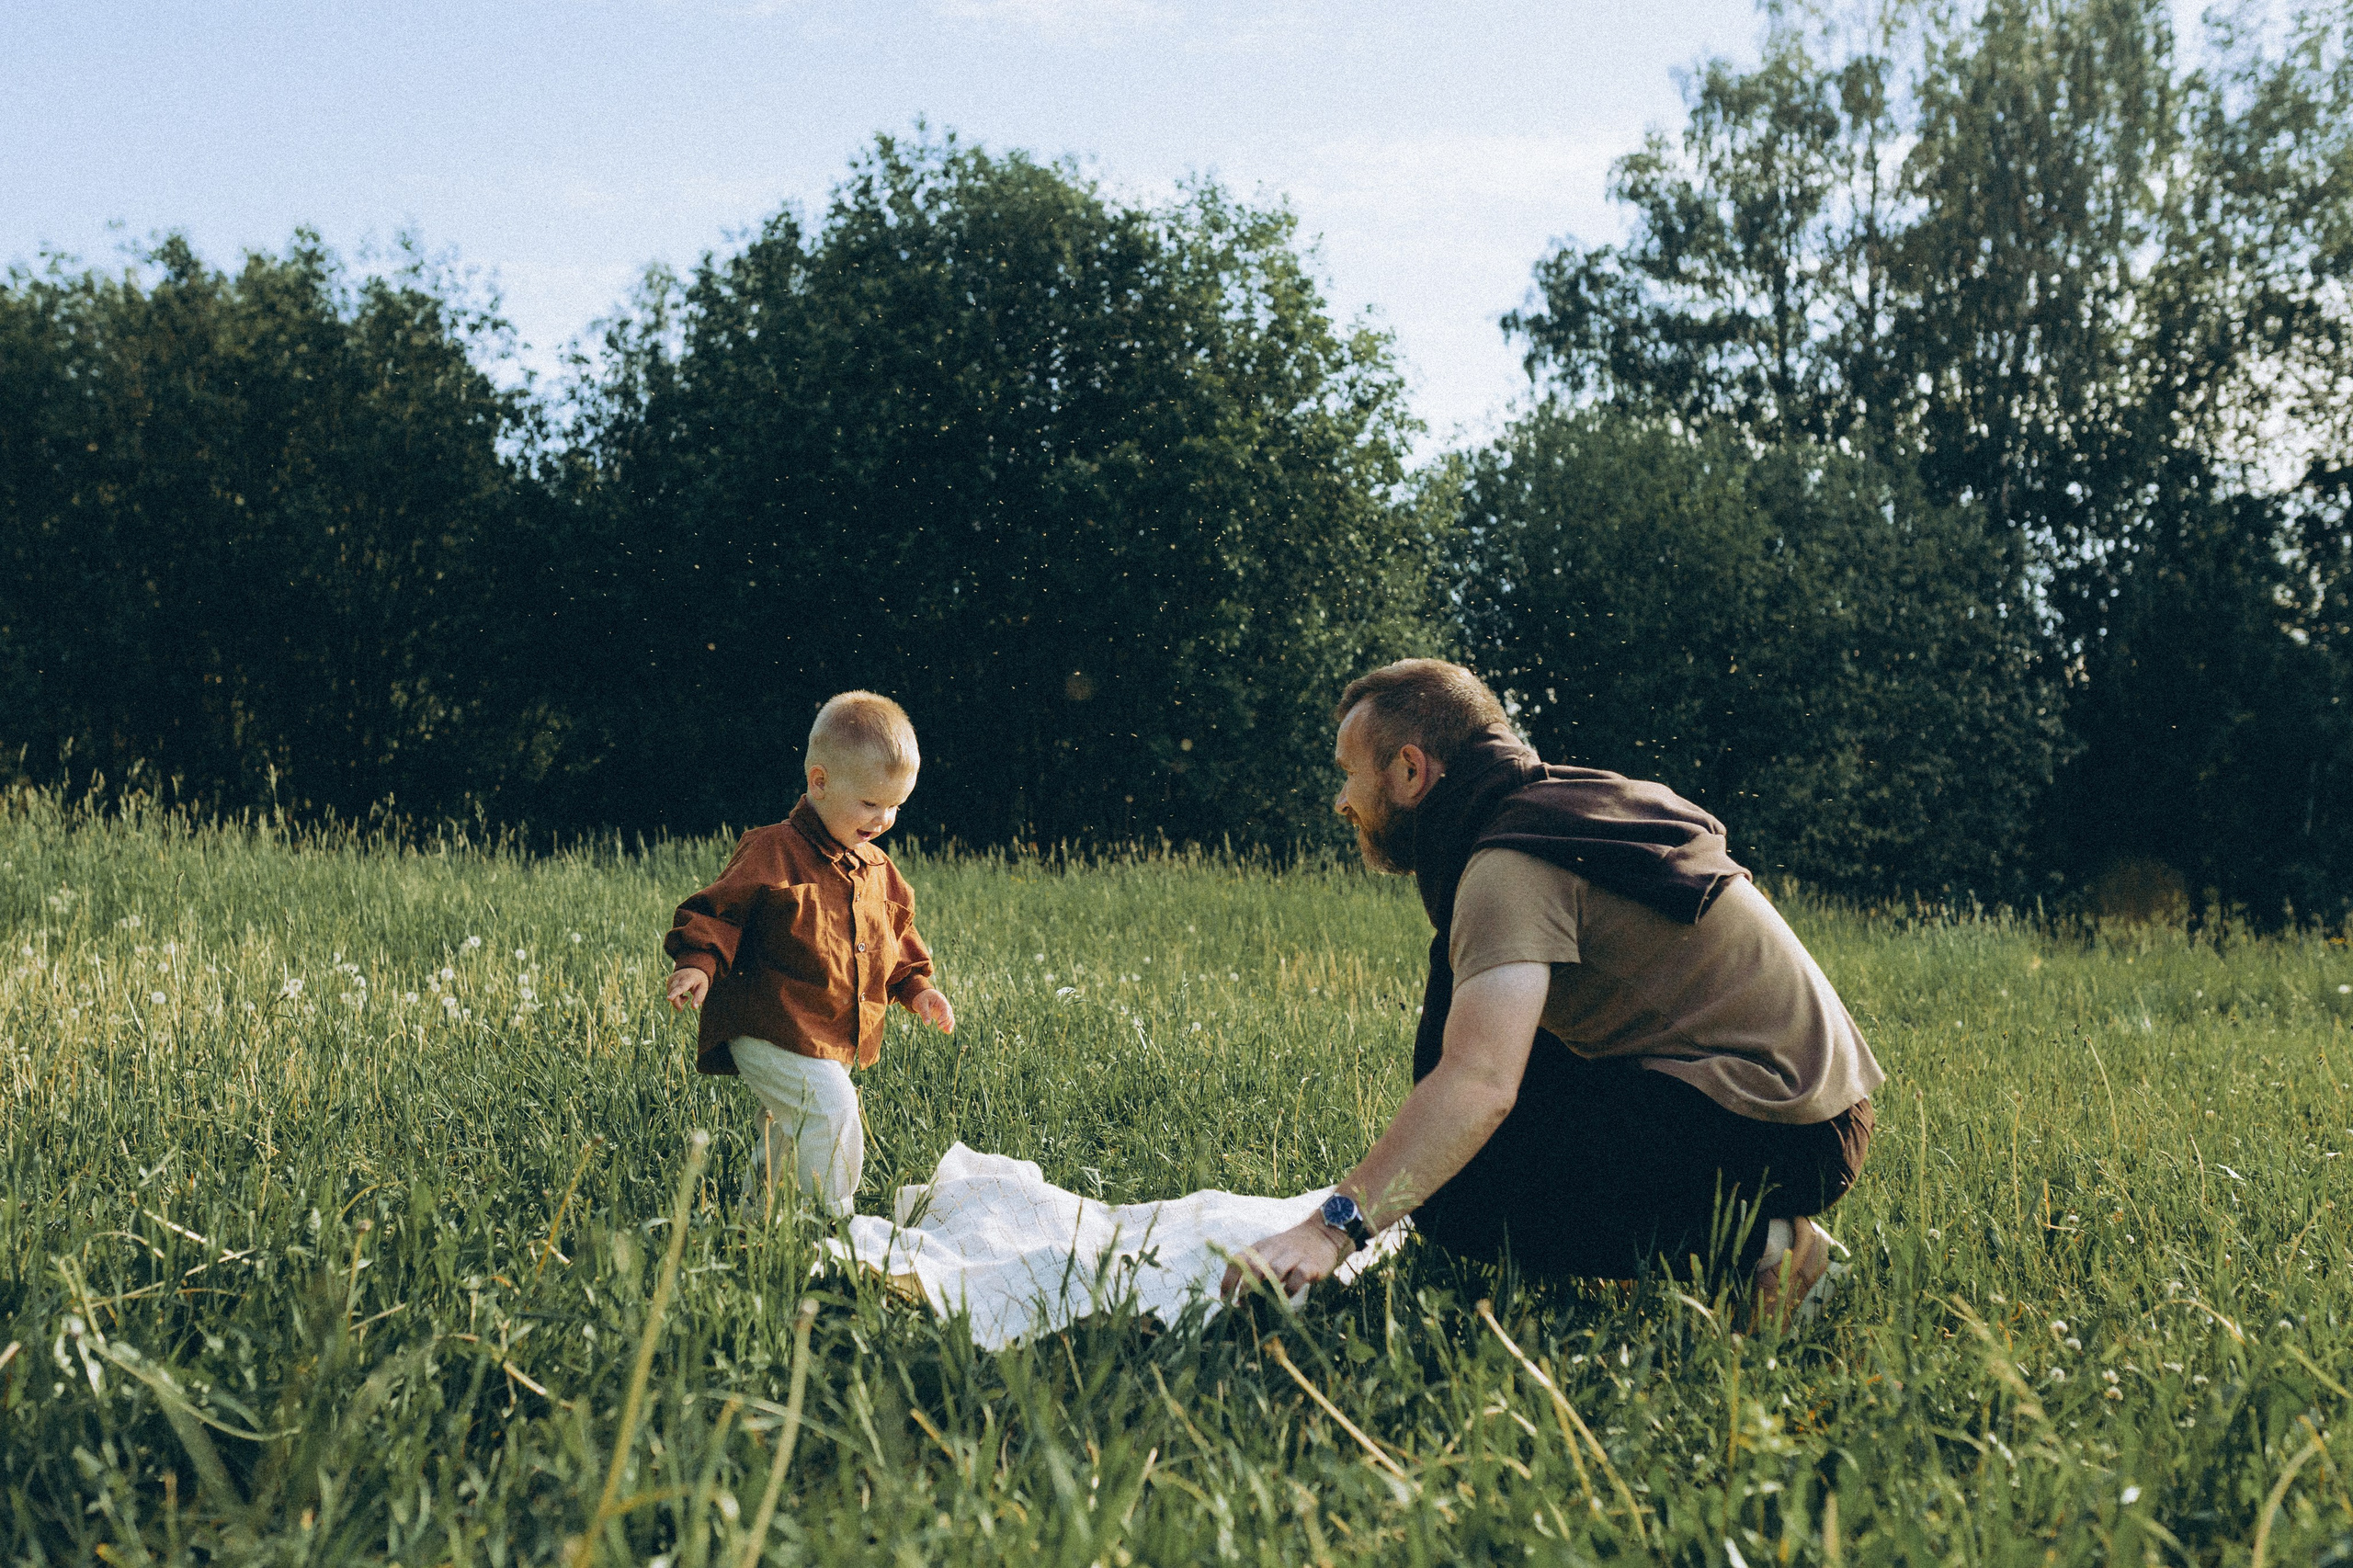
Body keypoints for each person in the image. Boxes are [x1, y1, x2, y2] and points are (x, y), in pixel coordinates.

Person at [1224, 660, 1882, 1324]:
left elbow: (1479, 1084)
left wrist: (1328, 1229)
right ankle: (1689, 1236)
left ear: (1409, 771)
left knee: (1457, 1194)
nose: (1343, 801)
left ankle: (1765, 1252)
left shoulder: (1506, 864)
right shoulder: (1551, 809)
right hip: (1806, 1107)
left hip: (1784, 1128)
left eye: (1349, 773)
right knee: (1453, 1102)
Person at [665, 690, 957, 1219]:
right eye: (871, 803)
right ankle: (830, 1218)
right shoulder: (772, 850)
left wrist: (918, 989)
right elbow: (718, 912)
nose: (885, 818)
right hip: (767, 1021)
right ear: (819, 782)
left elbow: (899, 943)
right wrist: (697, 963)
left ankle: (758, 1221)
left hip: (826, 1033)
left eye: (897, 805)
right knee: (832, 1111)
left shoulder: (879, 871)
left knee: (787, 1128)